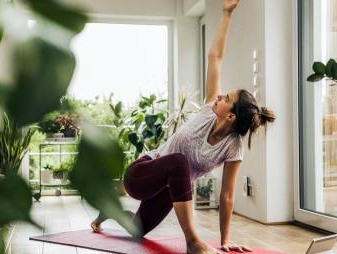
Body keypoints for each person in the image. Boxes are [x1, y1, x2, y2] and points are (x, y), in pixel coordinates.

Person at [91, 0, 275, 253]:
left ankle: (109, 212)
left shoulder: (233, 148)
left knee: (136, 231)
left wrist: (225, 242)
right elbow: (215, 57)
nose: (220, 96)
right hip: (142, 174)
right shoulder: (209, 109)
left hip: (168, 190)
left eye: (227, 98)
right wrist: (226, 14)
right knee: (179, 162)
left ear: (231, 117)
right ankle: (193, 242)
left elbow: (227, 196)